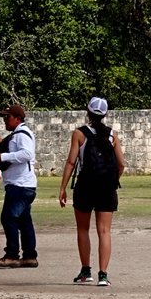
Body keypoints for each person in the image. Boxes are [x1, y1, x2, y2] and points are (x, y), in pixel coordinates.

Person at [60, 96, 124, 286]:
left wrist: (63, 187)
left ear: (87, 111)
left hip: (85, 185)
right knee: (104, 231)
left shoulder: (79, 134)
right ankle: (103, 275)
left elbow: (72, 162)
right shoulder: (112, 135)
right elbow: (121, 164)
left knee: (83, 229)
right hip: (106, 187)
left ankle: (85, 271)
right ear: (105, 114)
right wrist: (112, 181)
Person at [0, 103, 38, 267]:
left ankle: (12, 254)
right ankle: (29, 255)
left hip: (20, 184)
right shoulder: (21, 134)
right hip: (24, 184)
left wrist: (3, 157)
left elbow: (27, 154)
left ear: (18, 119)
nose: (5, 120)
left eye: (7, 117)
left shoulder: (21, 135)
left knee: (8, 218)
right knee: (24, 220)